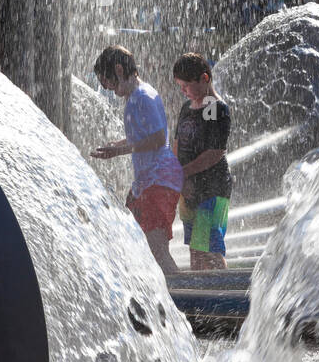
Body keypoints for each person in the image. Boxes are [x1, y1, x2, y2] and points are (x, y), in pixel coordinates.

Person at [91, 45, 182, 276]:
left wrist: (119, 152)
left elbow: (159, 139)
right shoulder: (137, 96)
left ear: (119, 70)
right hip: (149, 182)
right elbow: (142, 136)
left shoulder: (143, 97)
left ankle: (186, 298)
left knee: (157, 251)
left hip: (158, 181)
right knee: (137, 244)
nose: (110, 90)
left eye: (109, 83)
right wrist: (116, 145)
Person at [172, 53, 232, 271]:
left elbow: (213, 153)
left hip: (211, 189)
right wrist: (178, 177)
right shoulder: (187, 108)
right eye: (180, 86)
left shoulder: (212, 107)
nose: (183, 91)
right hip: (189, 188)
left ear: (205, 78)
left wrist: (183, 173)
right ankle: (202, 302)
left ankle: (225, 299)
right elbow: (178, 144)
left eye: (187, 85)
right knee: (196, 251)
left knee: (209, 250)